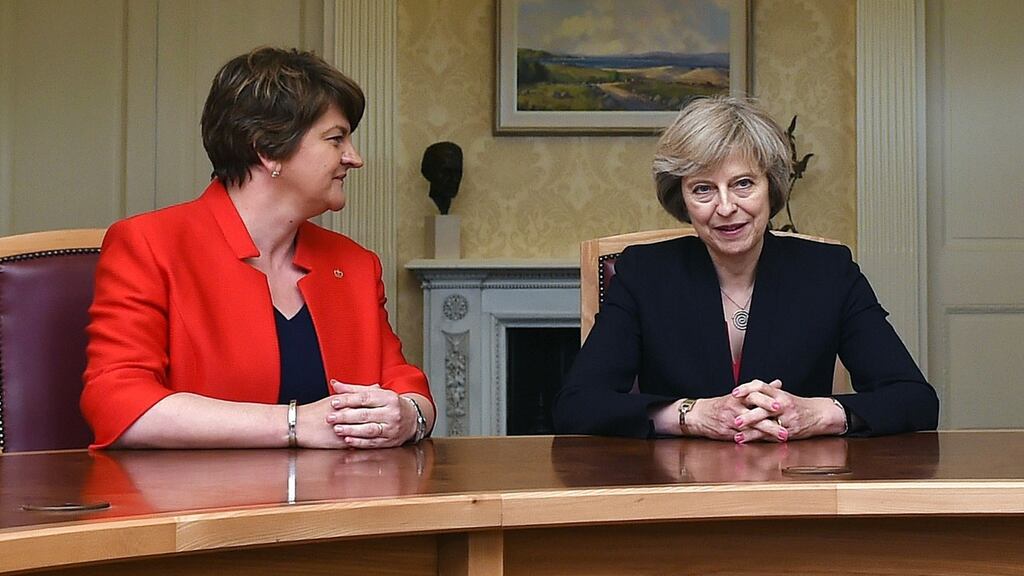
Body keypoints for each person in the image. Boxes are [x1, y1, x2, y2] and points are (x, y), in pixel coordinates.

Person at [81, 47, 434, 449]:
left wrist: (410, 417)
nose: (354, 158)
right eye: (337, 139)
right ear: (267, 150)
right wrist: (296, 424)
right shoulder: (148, 244)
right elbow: (117, 403)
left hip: (342, 502)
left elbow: (406, 384)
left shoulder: (355, 263)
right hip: (193, 505)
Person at [554, 96, 938, 442]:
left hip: (797, 488)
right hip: (678, 488)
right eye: (703, 189)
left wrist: (816, 414)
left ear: (771, 188)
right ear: (682, 199)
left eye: (742, 184)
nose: (725, 207)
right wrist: (691, 414)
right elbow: (576, 406)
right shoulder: (645, 273)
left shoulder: (828, 273)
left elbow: (915, 400)